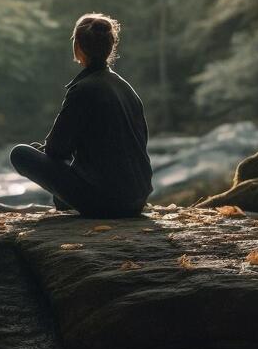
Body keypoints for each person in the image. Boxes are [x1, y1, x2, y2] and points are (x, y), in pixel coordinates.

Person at [10, 13, 153, 218]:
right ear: (111, 46)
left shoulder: (83, 89)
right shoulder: (125, 87)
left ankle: (70, 201)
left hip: (108, 201)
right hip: (137, 198)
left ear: (78, 47)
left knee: (21, 153)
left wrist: (44, 151)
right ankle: (67, 200)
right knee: (43, 159)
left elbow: (57, 150)